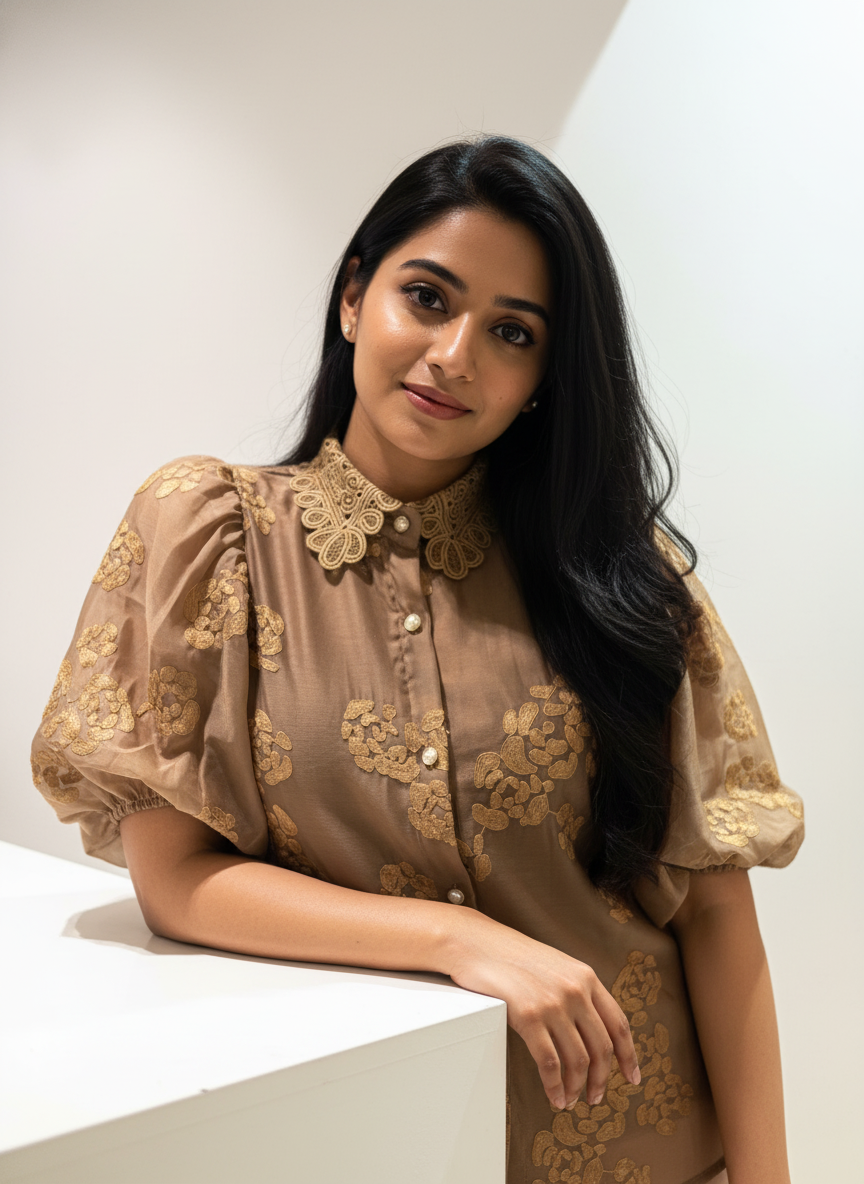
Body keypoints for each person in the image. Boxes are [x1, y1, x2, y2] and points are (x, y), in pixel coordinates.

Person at [30, 135, 803, 1184]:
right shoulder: (212, 533)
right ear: (355, 296)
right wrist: (459, 938)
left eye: (512, 331)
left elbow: (716, 911)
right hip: (368, 1143)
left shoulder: (626, 581)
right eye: (428, 297)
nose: (454, 355)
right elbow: (178, 879)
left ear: (543, 376)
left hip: (650, 1149)